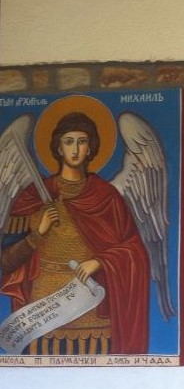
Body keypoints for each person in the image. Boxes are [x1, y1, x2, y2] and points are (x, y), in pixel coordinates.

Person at [1, 111, 150, 355]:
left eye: (82, 142)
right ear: (58, 148)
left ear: (90, 148)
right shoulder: (33, 197)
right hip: (42, 309)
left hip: (89, 306)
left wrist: (100, 261)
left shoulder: (106, 197)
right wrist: (37, 233)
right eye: (68, 141)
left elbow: (134, 250)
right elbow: (6, 262)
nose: (75, 149)